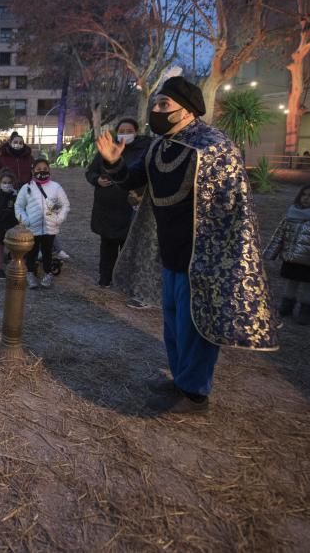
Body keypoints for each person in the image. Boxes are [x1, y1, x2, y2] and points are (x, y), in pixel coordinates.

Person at [96, 76, 278, 415]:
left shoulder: (214, 147)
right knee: (174, 320)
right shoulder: (159, 146)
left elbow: (232, 209)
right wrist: (113, 162)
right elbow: (133, 180)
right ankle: (180, 378)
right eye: (155, 104)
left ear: (187, 110)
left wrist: (223, 254)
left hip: (204, 255)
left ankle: (194, 394)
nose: (156, 110)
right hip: (169, 251)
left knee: (196, 324)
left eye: (163, 105)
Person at [85, 119, 149, 288]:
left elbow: (143, 176)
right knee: (107, 247)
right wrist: (97, 179)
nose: (125, 133)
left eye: (129, 130)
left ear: (136, 132)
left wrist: (140, 193)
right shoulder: (106, 150)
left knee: (128, 249)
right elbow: (91, 171)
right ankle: (105, 278)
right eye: (122, 130)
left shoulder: (143, 151)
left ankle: (126, 281)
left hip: (130, 207)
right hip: (107, 208)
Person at [264, 184, 310, 325]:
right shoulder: (292, 215)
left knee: (309, 287)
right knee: (290, 283)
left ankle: (305, 310)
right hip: (291, 259)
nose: (306, 198)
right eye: (304, 195)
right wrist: (269, 254)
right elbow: (279, 236)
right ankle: (286, 306)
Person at [15, 158, 70, 289]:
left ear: (49, 170)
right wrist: (25, 220)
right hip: (32, 228)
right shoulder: (26, 187)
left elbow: (65, 205)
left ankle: (48, 273)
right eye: (38, 169)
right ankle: (30, 273)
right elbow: (19, 206)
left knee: (47, 252)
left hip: (50, 228)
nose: (42, 172)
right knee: (32, 253)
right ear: (33, 170)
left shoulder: (56, 187)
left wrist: (59, 219)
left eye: (45, 169)